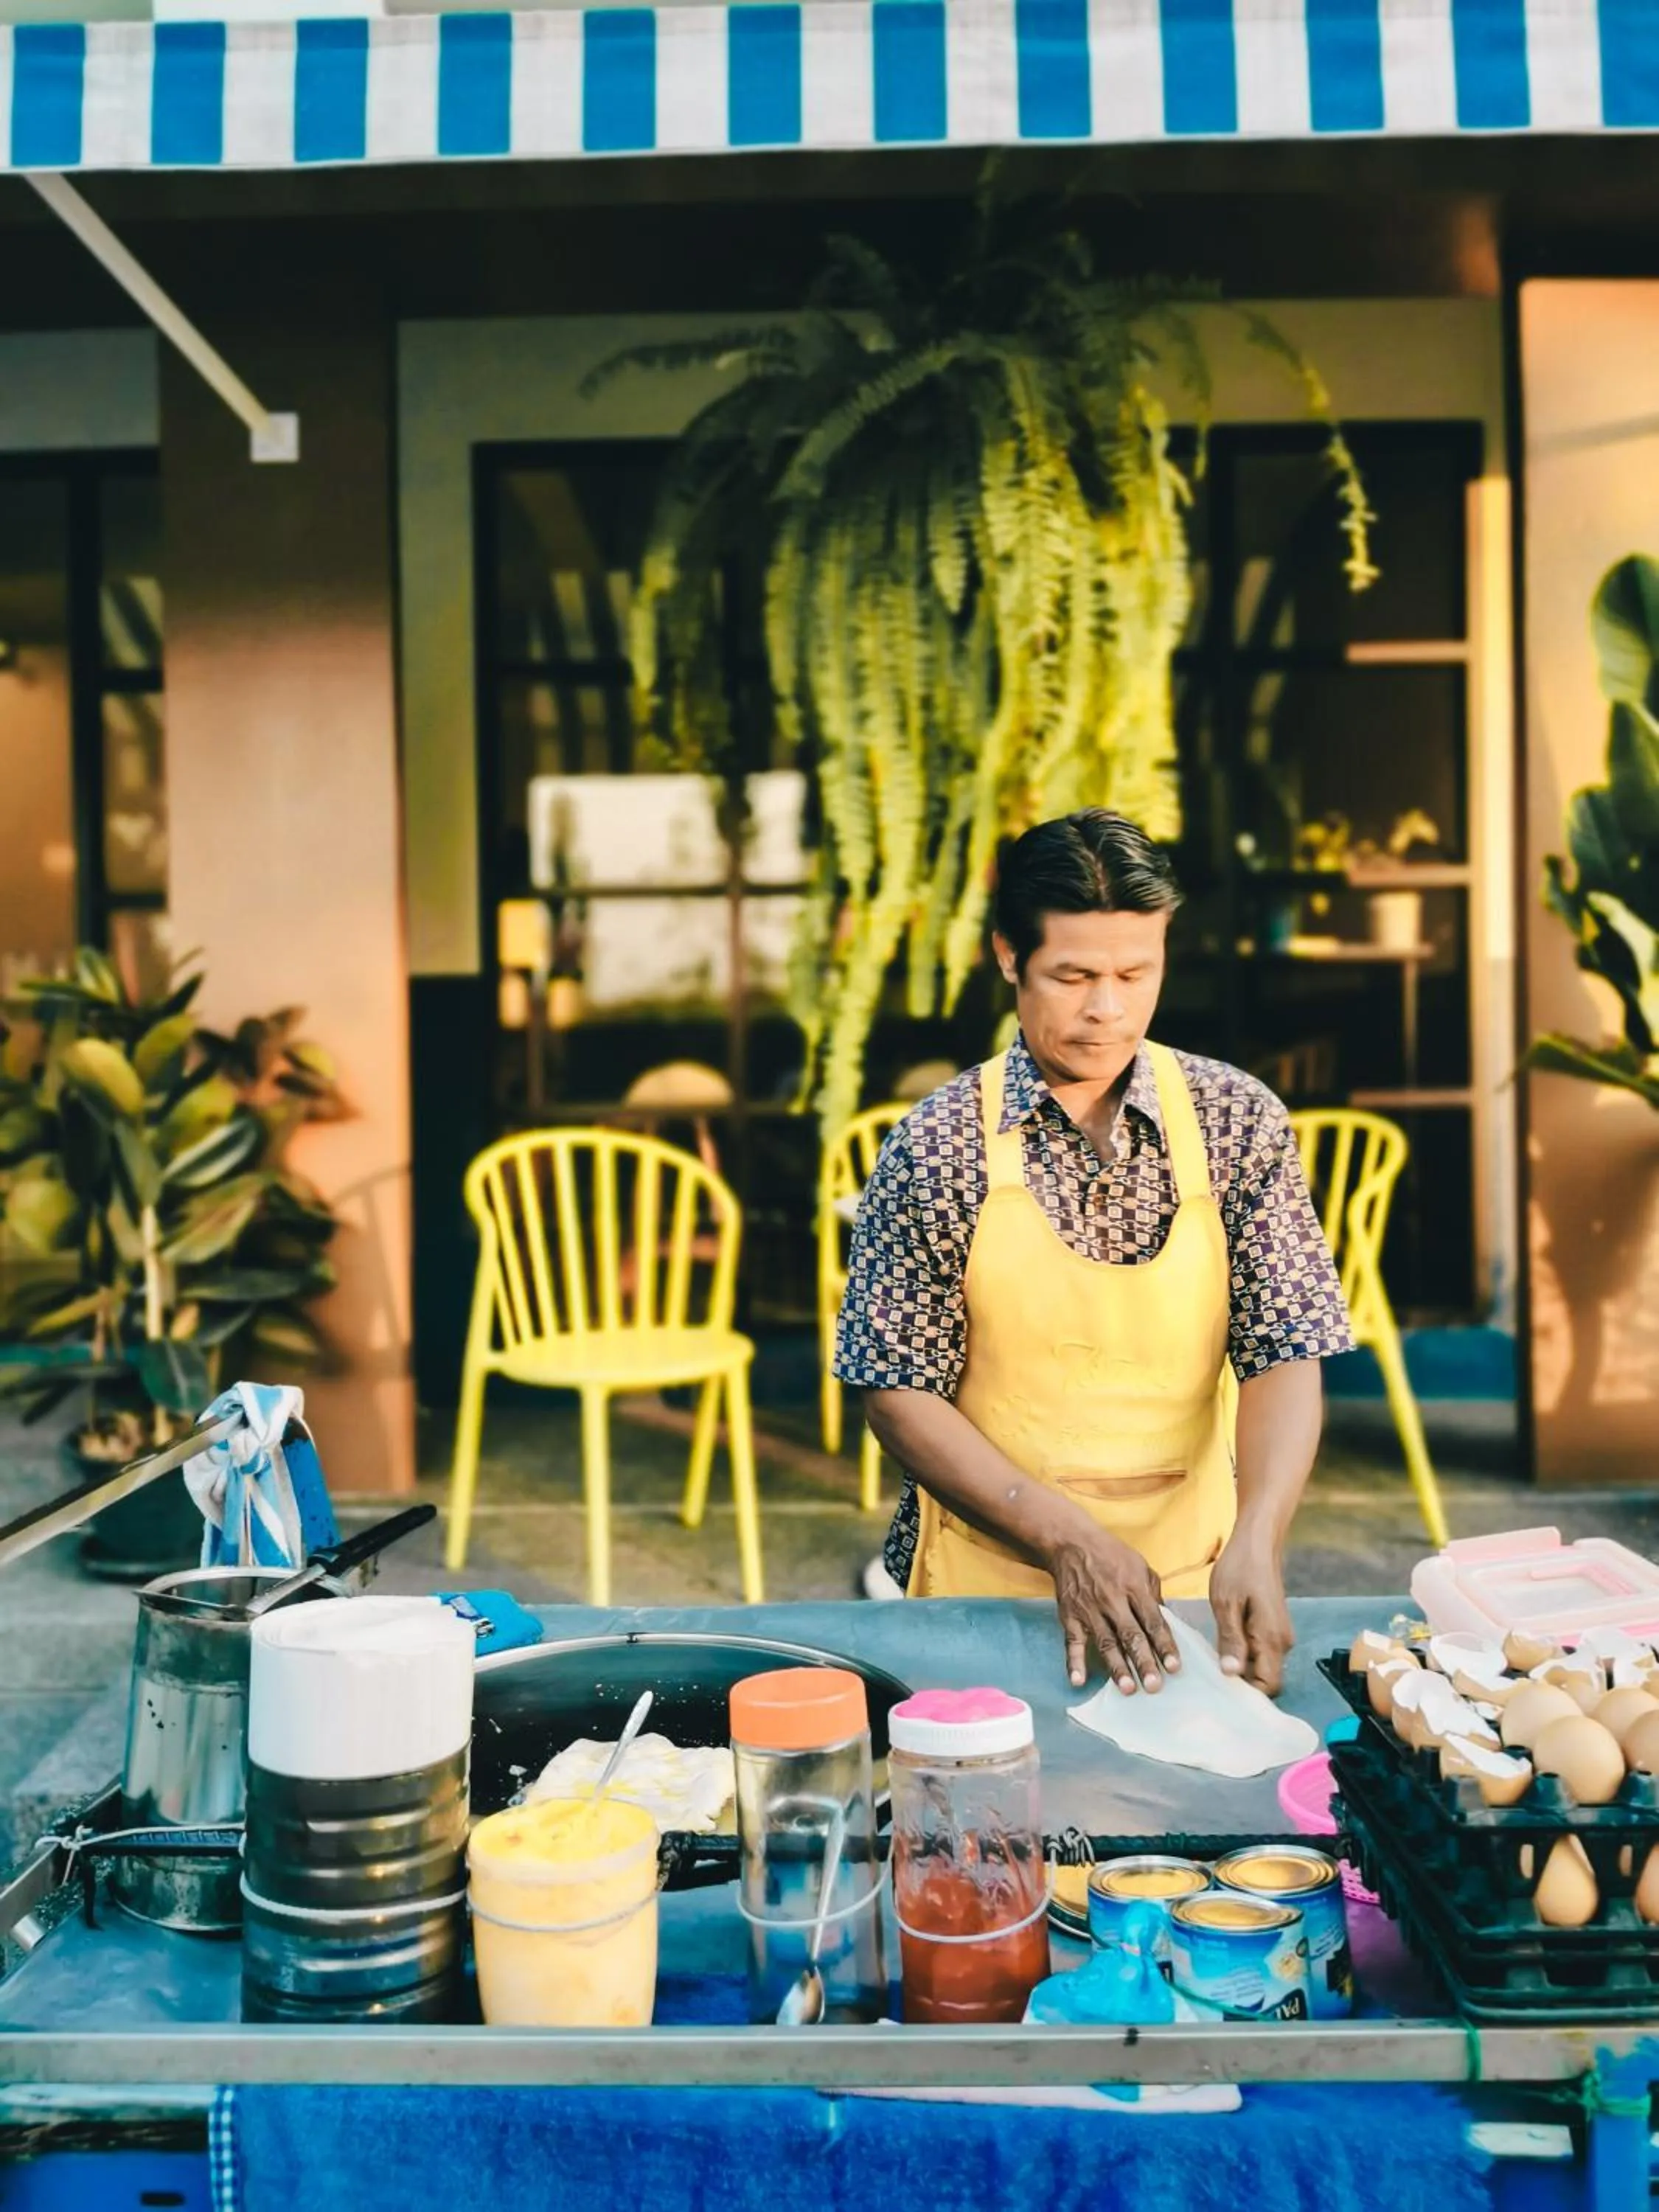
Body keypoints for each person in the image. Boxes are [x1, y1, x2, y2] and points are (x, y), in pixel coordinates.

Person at [834, 810, 1354, 1697]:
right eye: (1072, 975)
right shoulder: (938, 1144)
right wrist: (1067, 1539)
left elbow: (1285, 1348)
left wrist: (1259, 1540)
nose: (1106, 1008)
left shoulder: (1238, 1120)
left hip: (1197, 1586)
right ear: (1008, 956)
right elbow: (893, 1387)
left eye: (1133, 973)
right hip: (982, 1590)